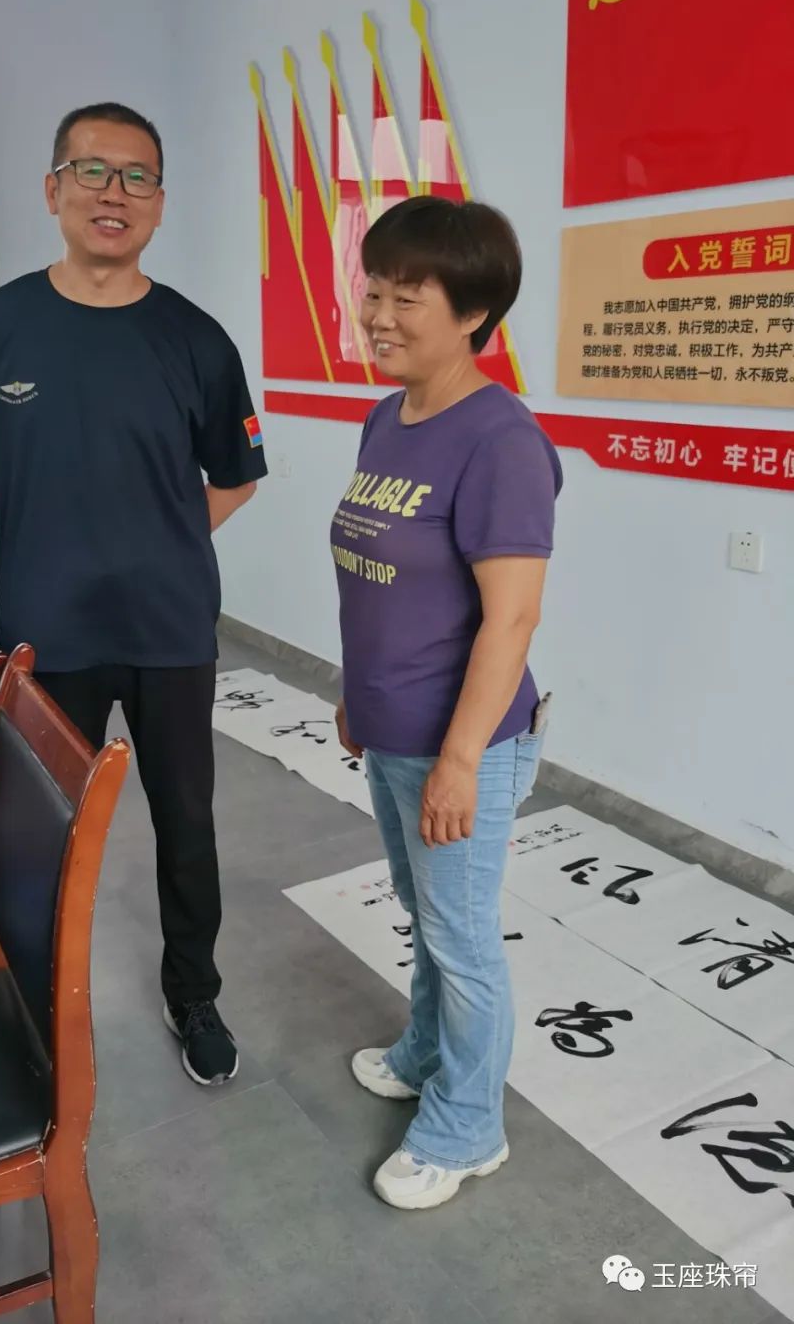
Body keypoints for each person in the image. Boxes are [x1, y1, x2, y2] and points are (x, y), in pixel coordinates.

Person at [0, 102, 267, 1085]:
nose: (114, 193)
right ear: (53, 190)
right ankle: (34, 996)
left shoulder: (196, 339)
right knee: (39, 829)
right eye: (93, 171)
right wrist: (64, 541)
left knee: (186, 823)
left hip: (170, 629)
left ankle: (192, 989)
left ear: (160, 203)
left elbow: (235, 476)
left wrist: (155, 542)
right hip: (50, 630)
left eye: (137, 176)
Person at [331, 195, 562, 1209]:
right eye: (374, 290)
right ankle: (426, 1049)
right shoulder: (388, 417)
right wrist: (354, 692)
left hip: (464, 741)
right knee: (425, 911)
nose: (378, 314)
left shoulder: (500, 440)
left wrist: (462, 760)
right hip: (392, 727)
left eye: (406, 297)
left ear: (473, 314)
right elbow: (376, 577)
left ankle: (469, 1127)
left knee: (463, 939)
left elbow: (511, 620)